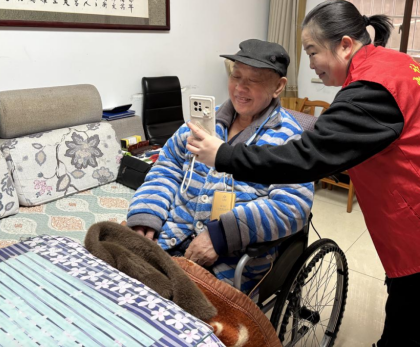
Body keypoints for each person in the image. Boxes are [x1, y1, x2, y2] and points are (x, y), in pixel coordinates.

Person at [186, 0, 420, 346]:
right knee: (409, 309)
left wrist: (224, 155)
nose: (311, 65)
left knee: (408, 326)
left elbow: (310, 156)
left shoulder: (372, 89)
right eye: (236, 77)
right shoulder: (393, 63)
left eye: (312, 52)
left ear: (344, 45)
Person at [127, 39, 314, 293]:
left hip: (227, 264)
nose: (240, 88)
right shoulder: (206, 121)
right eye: (236, 76)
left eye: (253, 80)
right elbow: (168, 165)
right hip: (171, 237)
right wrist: (147, 214)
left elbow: (292, 206)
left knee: (170, 307)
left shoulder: (290, 140)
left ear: (278, 86)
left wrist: (221, 236)